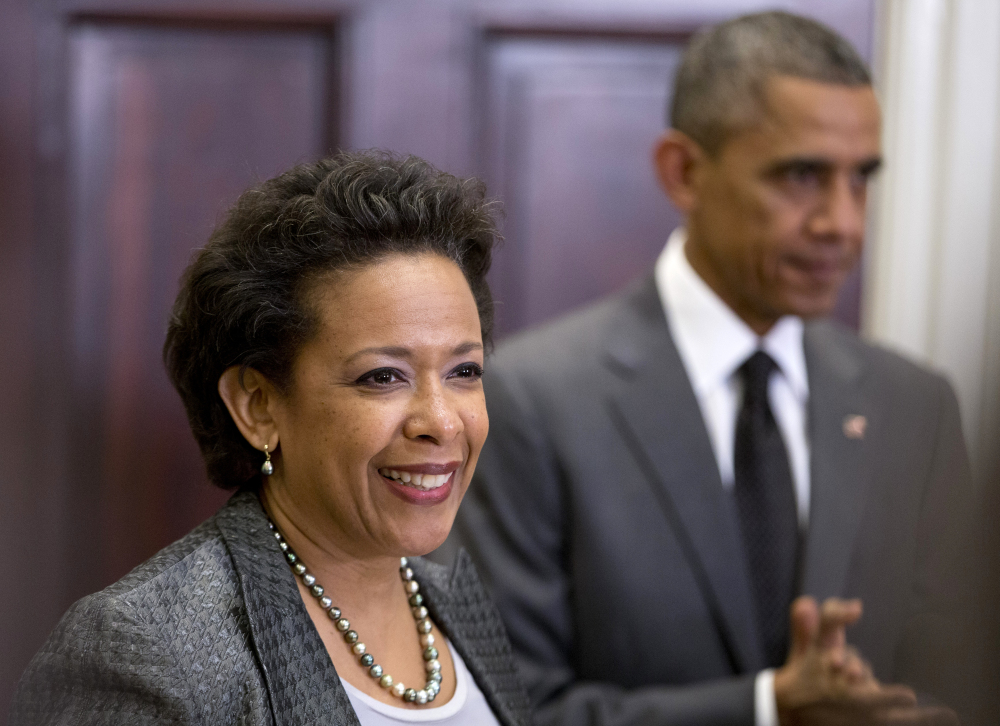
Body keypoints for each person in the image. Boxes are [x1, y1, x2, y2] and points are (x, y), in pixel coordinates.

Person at [453, 11, 976, 726]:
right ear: (686, 172)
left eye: (861, 180)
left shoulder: (915, 407)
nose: (843, 223)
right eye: (802, 176)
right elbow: (507, 705)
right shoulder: (534, 400)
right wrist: (763, 709)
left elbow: (956, 681)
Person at [11, 152, 531, 725]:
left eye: (464, 371)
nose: (442, 421)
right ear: (258, 406)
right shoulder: (147, 653)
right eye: (383, 377)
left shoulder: (460, 604)